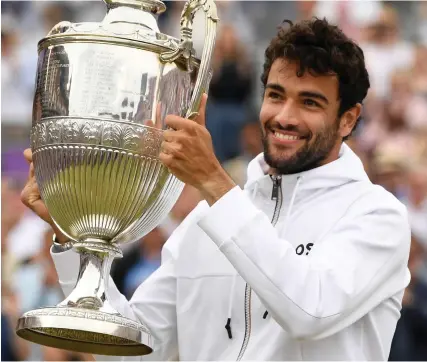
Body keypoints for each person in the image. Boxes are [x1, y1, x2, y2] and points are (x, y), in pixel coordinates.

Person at [21, 18, 411, 360]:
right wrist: (71, 235)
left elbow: (309, 310)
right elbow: (134, 352)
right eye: (276, 95)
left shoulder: (377, 216)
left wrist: (214, 182)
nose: (285, 117)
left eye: (310, 102)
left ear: (348, 119)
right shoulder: (208, 220)